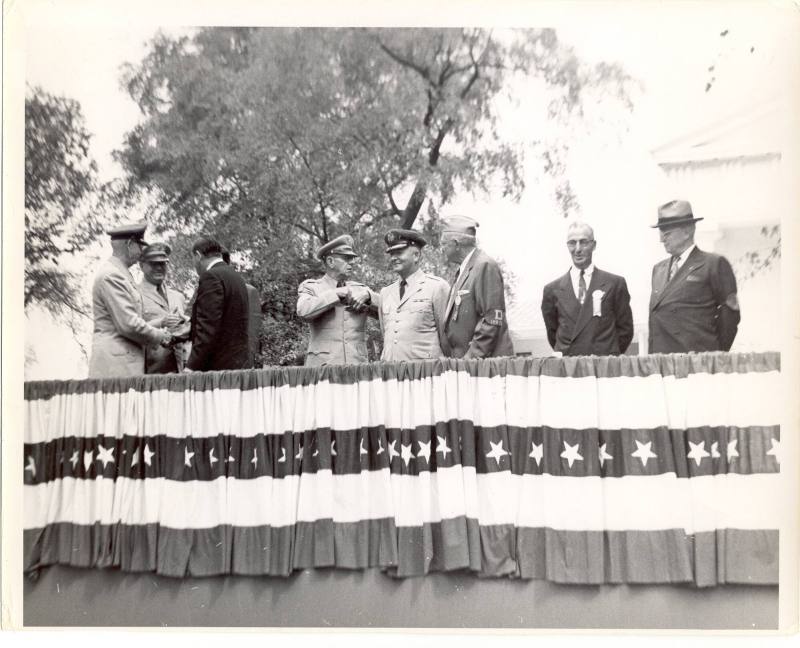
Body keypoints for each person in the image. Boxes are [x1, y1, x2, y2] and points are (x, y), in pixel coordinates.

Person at [648, 200, 740, 353]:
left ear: (687, 231)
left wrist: (713, 354)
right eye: (661, 233)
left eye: (667, 233)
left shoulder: (713, 264)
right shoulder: (658, 269)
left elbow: (730, 316)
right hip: (662, 363)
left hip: (696, 363)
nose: (661, 239)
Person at [88, 222, 172, 378]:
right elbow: (128, 325)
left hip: (122, 363)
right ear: (129, 244)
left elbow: (131, 321)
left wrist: (161, 323)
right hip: (115, 366)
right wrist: (160, 336)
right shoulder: (112, 275)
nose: (141, 251)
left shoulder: (120, 273)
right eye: (140, 246)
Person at [541, 221, 634, 356]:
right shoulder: (552, 290)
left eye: (583, 242)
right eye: (572, 243)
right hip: (569, 368)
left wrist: (607, 354)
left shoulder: (614, 284)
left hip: (603, 367)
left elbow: (625, 330)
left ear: (593, 245)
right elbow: (552, 333)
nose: (577, 249)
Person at [296, 234, 378, 366]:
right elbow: (303, 311)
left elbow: (389, 310)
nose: (351, 262)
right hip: (323, 369)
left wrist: (369, 296)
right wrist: (335, 294)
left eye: (352, 259)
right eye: (346, 258)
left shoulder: (360, 290)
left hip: (357, 367)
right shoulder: (312, 287)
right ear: (330, 262)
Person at [439, 215, 514, 359]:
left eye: (444, 244)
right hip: (470, 364)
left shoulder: (484, 266)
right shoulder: (465, 270)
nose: (442, 249)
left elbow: (491, 320)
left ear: (456, 244)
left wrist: (471, 359)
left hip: (485, 366)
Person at [379, 229, 450, 361]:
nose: (394, 258)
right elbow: (387, 336)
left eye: (399, 253)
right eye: (391, 254)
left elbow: (447, 338)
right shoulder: (385, 293)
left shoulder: (437, 287)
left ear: (416, 255)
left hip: (425, 374)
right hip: (392, 374)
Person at [185, 237, 251, 372]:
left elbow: (208, 327)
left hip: (217, 367)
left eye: (192, 259)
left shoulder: (211, 277)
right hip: (238, 363)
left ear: (198, 256)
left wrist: (192, 366)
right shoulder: (236, 277)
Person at [138, 243, 190, 373]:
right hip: (150, 373)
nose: (159, 268)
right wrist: (161, 323)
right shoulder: (134, 294)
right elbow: (131, 329)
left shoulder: (178, 296)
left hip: (180, 370)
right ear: (141, 266)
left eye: (162, 264)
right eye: (153, 264)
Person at [221, 246, 263, 368]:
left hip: (239, 361)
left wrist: (248, 359)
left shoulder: (249, 292)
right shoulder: (205, 292)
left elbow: (253, 331)